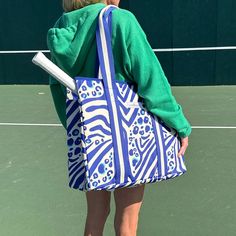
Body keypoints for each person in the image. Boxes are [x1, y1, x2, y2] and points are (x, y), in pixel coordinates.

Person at [47, 0, 191, 235]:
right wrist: (180, 125)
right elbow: (151, 80)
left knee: (95, 214)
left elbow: (57, 89)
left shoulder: (61, 28)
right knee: (127, 221)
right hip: (129, 136)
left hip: (89, 136)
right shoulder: (120, 20)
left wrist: (81, 128)